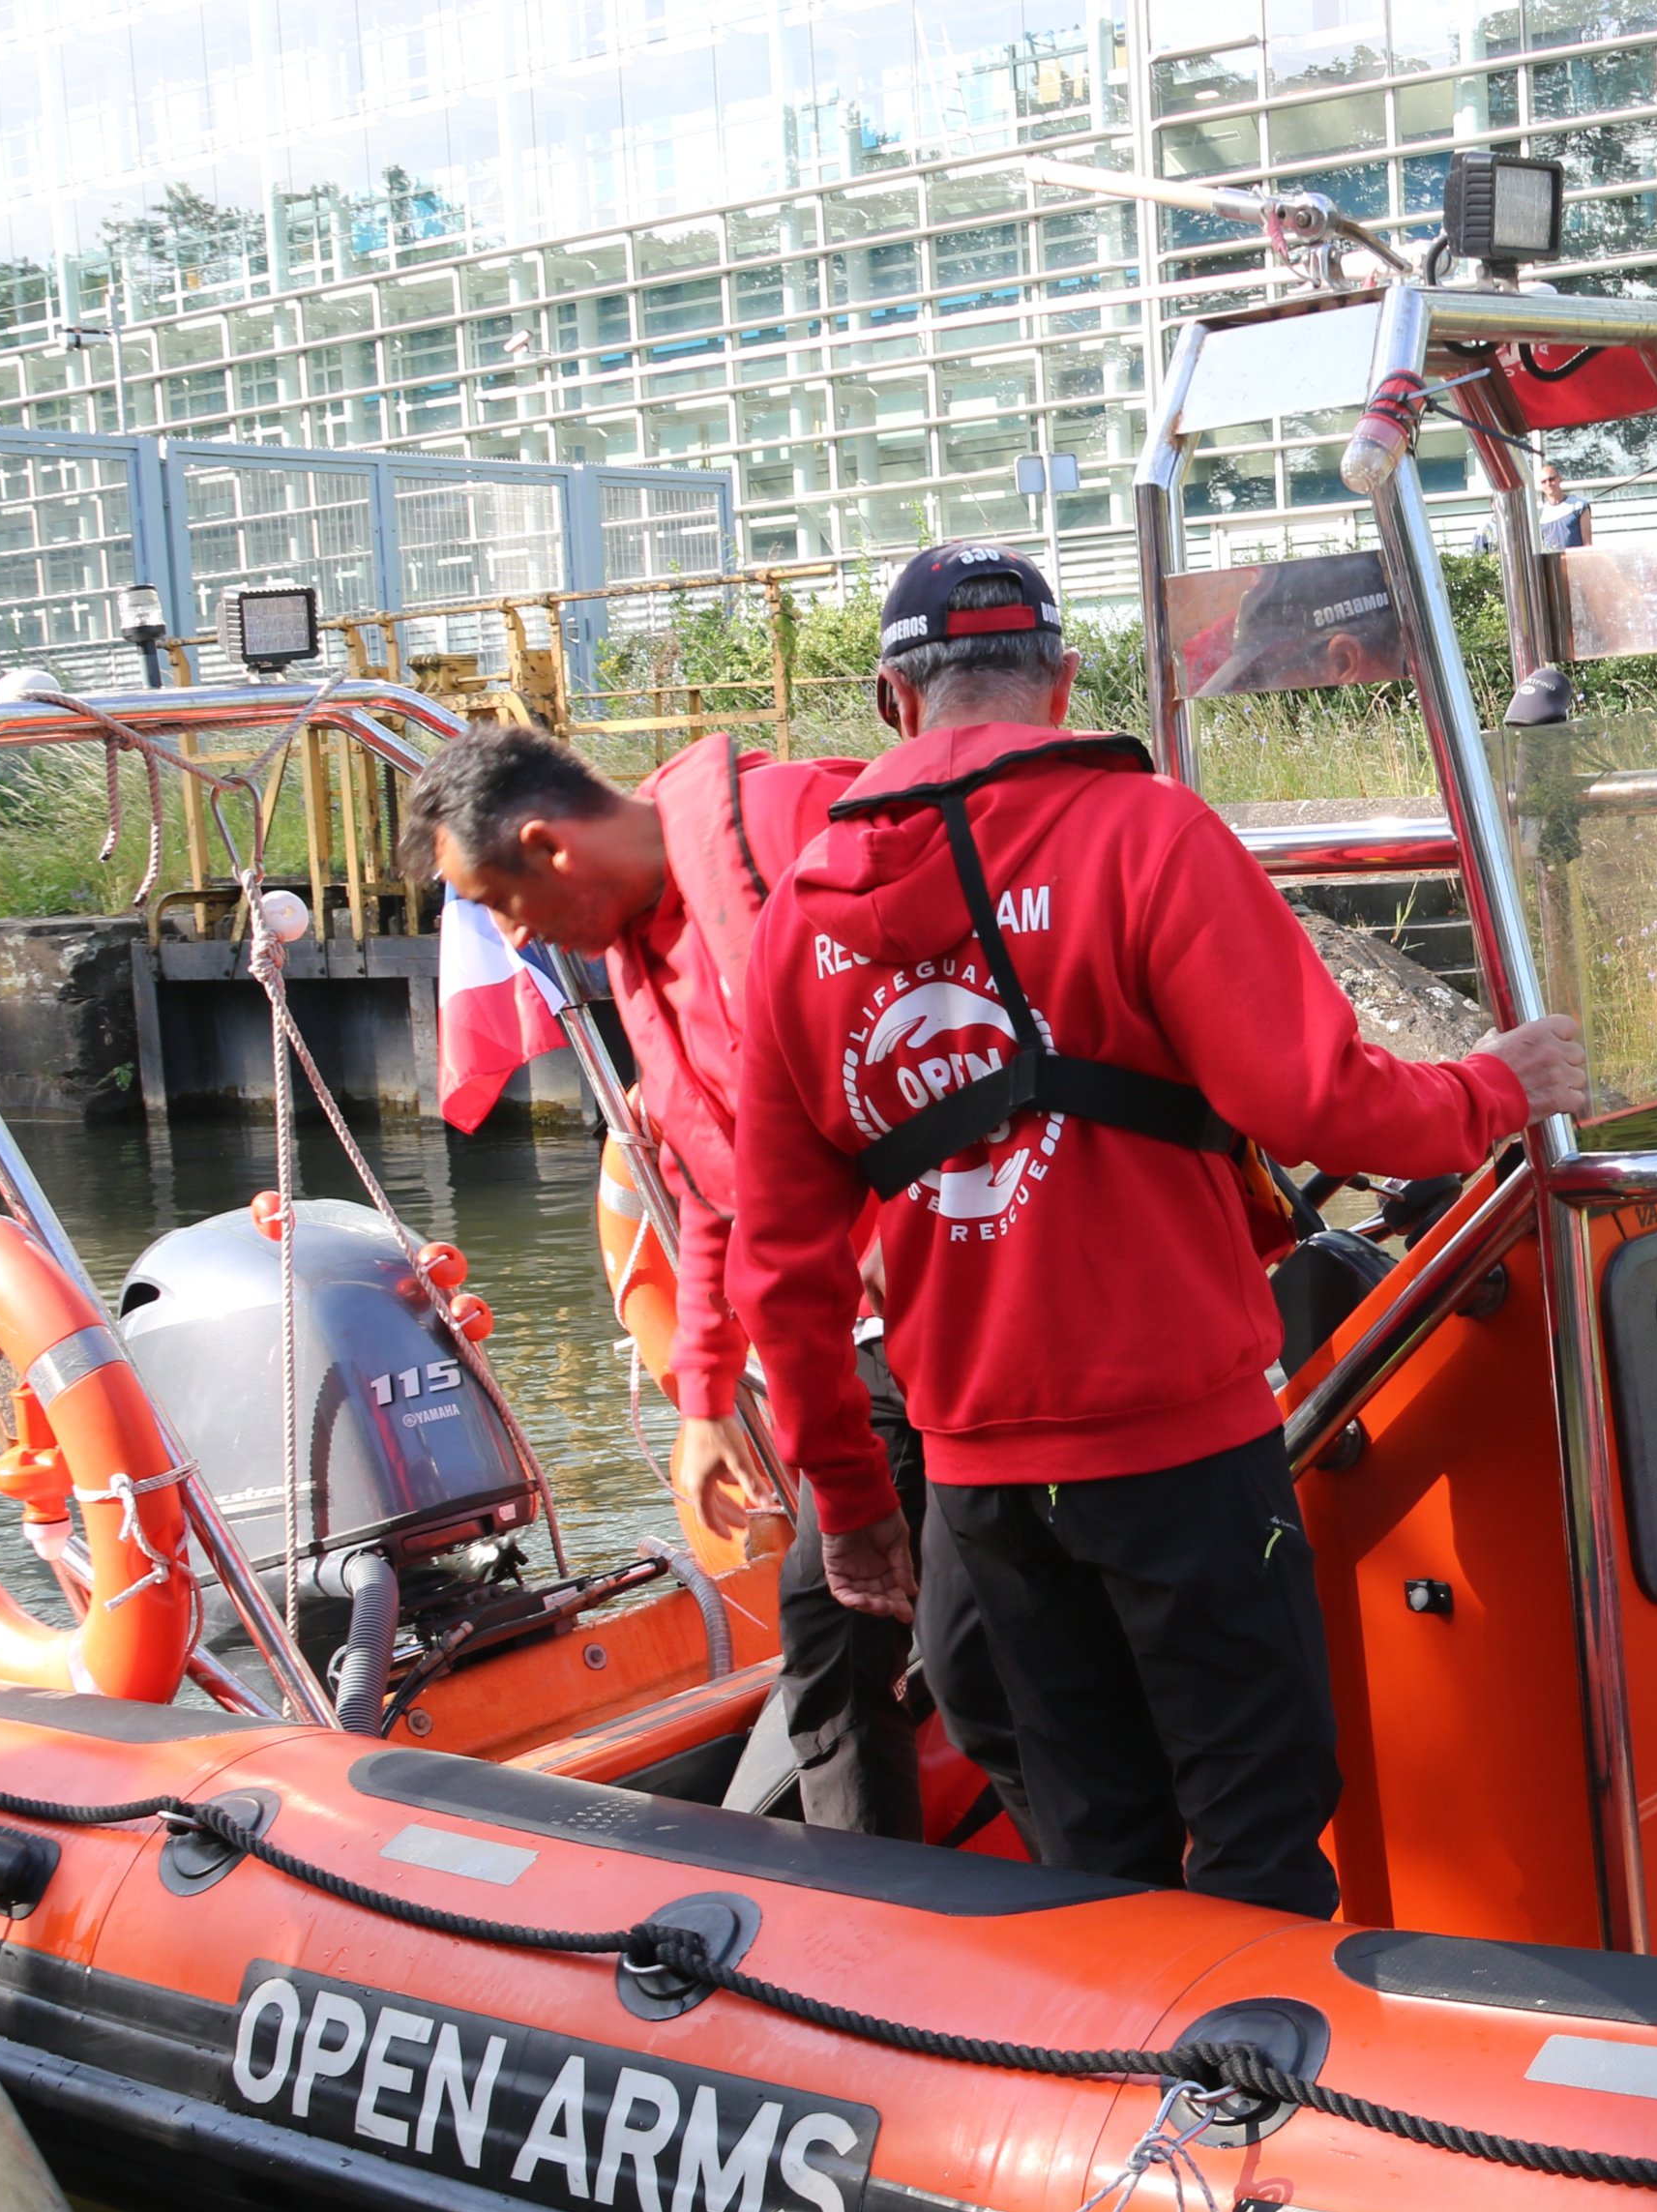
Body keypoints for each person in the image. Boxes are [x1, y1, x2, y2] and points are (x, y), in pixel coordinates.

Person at [733, 542, 1590, 1912]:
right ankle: (1244, 2110)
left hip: (977, 1487)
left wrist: (851, 1506)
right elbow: (1314, 1101)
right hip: (1177, 1454)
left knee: (1085, 1841)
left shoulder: (796, 922)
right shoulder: (1144, 835)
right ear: (1064, 683)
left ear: (893, 702)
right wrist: (1492, 1086)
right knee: (1254, 1816)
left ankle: (1109, 2098)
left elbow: (778, 1271)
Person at [405, 722, 951, 1837]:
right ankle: (876, 1924)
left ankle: (1087, 1941)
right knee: (836, 1630)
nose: (514, 936)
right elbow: (715, 1178)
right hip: (886, 1341)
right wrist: (705, 1399)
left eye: (499, 904)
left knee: (982, 1656)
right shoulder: (641, 952)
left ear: (550, 848)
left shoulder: (805, 830)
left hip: (984, 1306)